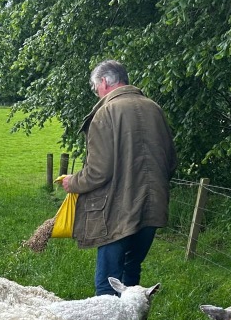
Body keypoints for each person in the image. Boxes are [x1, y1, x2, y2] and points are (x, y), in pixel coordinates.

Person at [62, 60, 177, 296]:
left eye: (95, 88)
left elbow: (98, 171)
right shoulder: (154, 108)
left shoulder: (106, 112)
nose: (96, 94)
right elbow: (171, 162)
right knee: (131, 273)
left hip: (117, 211)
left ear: (104, 82)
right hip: (153, 207)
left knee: (108, 283)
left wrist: (72, 182)